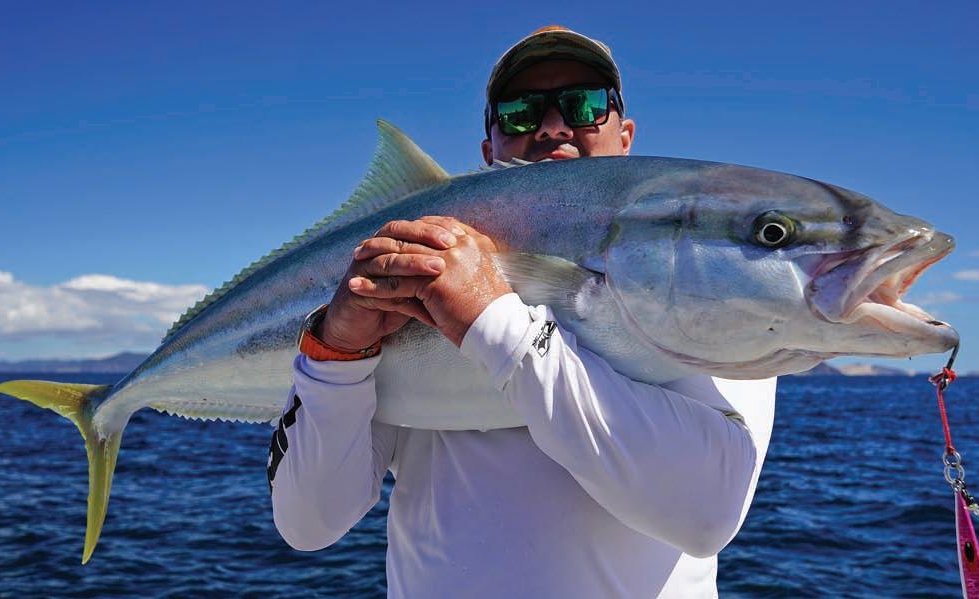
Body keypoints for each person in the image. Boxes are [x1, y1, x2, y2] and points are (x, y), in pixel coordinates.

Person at [268, 26, 776, 597]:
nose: (553, 126)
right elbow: (309, 523)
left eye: (584, 105)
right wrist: (336, 355)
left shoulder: (705, 294)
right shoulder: (419, 265)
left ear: (625, 136)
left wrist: (489, 318)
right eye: (519, 112)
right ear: (489, 150)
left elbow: (706, 512)